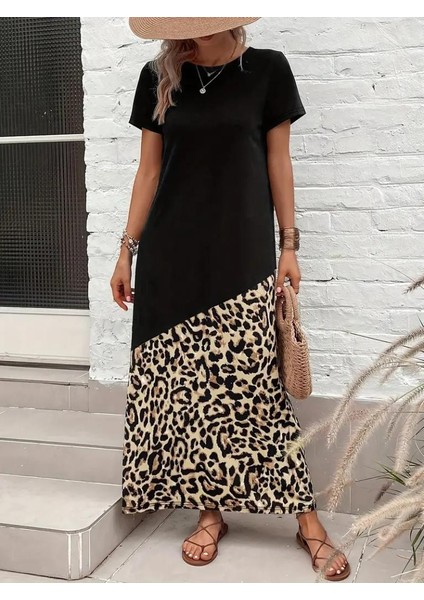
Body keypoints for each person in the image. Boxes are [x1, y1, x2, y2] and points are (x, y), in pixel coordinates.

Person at [110, 17, 350, 581]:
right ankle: (209, 513)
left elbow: (278, 161)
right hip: (171, 257)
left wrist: (289, 244)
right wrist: (126, 252)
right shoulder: (158, 76)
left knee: (256, 388)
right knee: (191, 391)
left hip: (241, 252)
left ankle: (307, 521)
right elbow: (148, 171)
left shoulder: (266, 70)